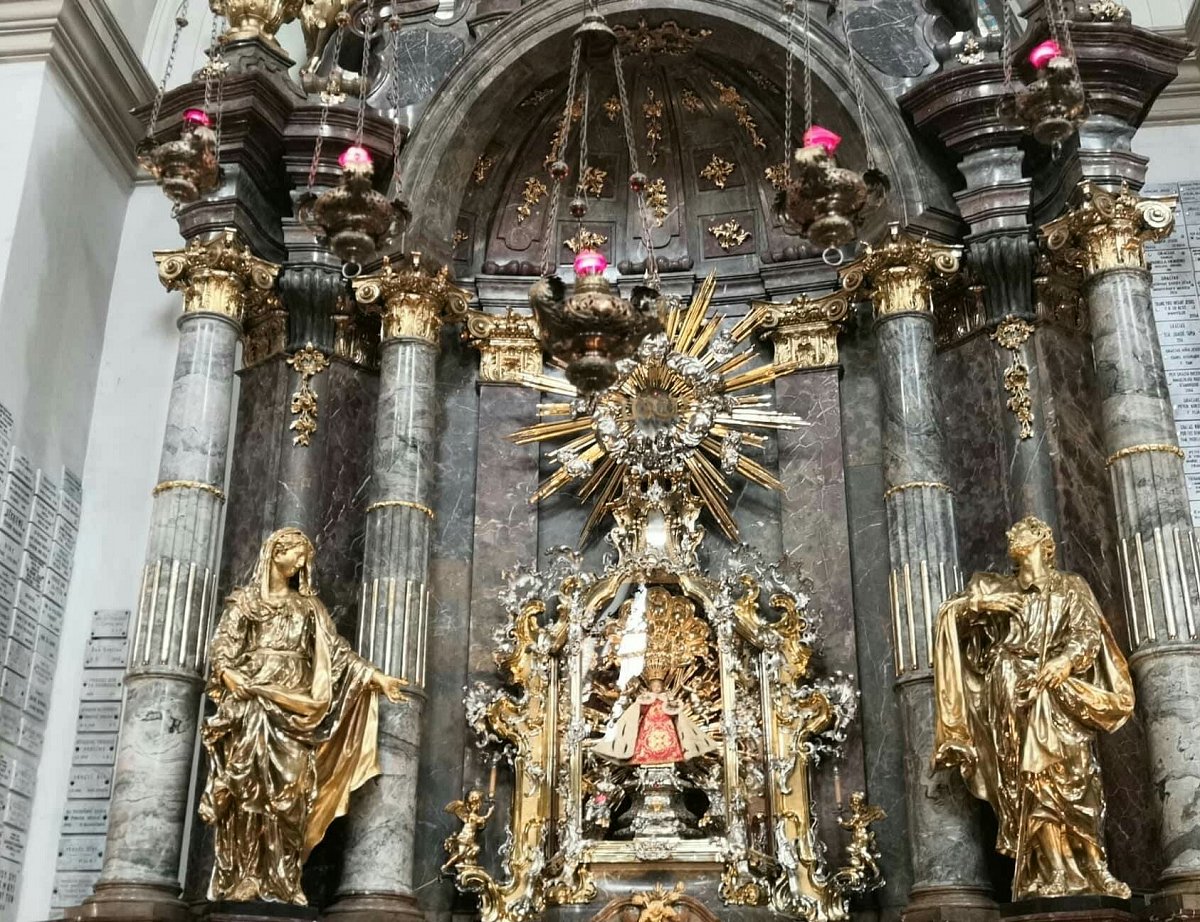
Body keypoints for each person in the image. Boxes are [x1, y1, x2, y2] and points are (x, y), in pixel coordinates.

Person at [199, 527, 407, 904]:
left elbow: (336, 653)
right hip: (251, 707)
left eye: (304, 557)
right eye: (296, 553)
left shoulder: (308, 608)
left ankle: (282, 878)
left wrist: (376, 677)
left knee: (292, 791)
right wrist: (229, 675)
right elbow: (222, 650)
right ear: (275, 553)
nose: (301, 562)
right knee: (249, 791)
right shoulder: (245, 603)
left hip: (296, 710)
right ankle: (247, 875)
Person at [933, 516, 1134, 899]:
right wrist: (980, 603)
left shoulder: (1070, 586)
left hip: (1059, 691)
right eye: (1013, 532)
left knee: (1078, 776)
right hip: (1012, 694)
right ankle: (1053, 869)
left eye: (1024, 530)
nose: (1013, 534)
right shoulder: (994, 586)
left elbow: (1087, 632)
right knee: (1031, 781)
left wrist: (1065, 661)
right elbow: (949, 618)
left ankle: (1095, 866)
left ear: (1045, 541)